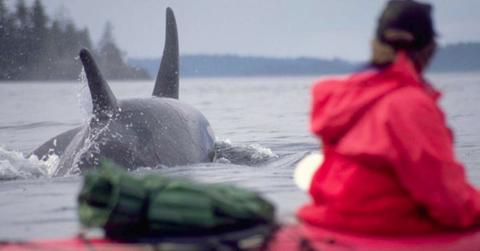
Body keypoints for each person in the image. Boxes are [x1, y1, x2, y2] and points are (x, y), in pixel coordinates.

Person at [297, 0, 480, 235]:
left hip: (333, 220)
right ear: (430, 48)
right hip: (382, 228)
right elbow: (448, 201)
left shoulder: (345, 97)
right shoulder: (408, 105)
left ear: (375, 43)